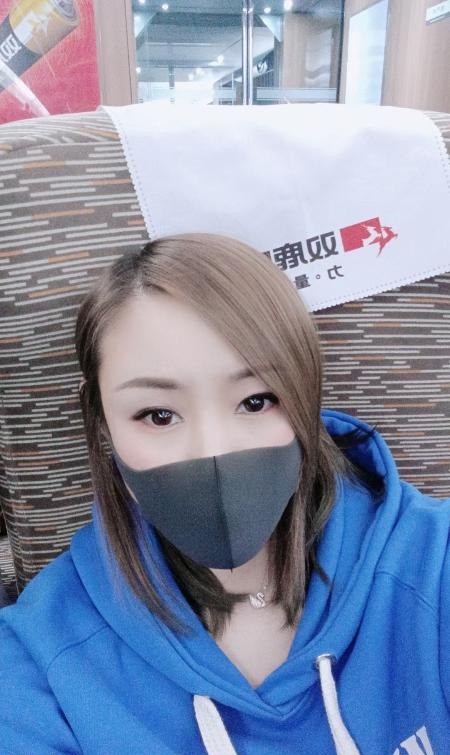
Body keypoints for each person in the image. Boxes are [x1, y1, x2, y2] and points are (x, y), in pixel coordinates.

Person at [0, 233, 449, 755]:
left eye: (256, 401)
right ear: (103, 422)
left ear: (304, 394)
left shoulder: (433, 565)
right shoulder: (38, 658)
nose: (213, 451)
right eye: (158, 415)